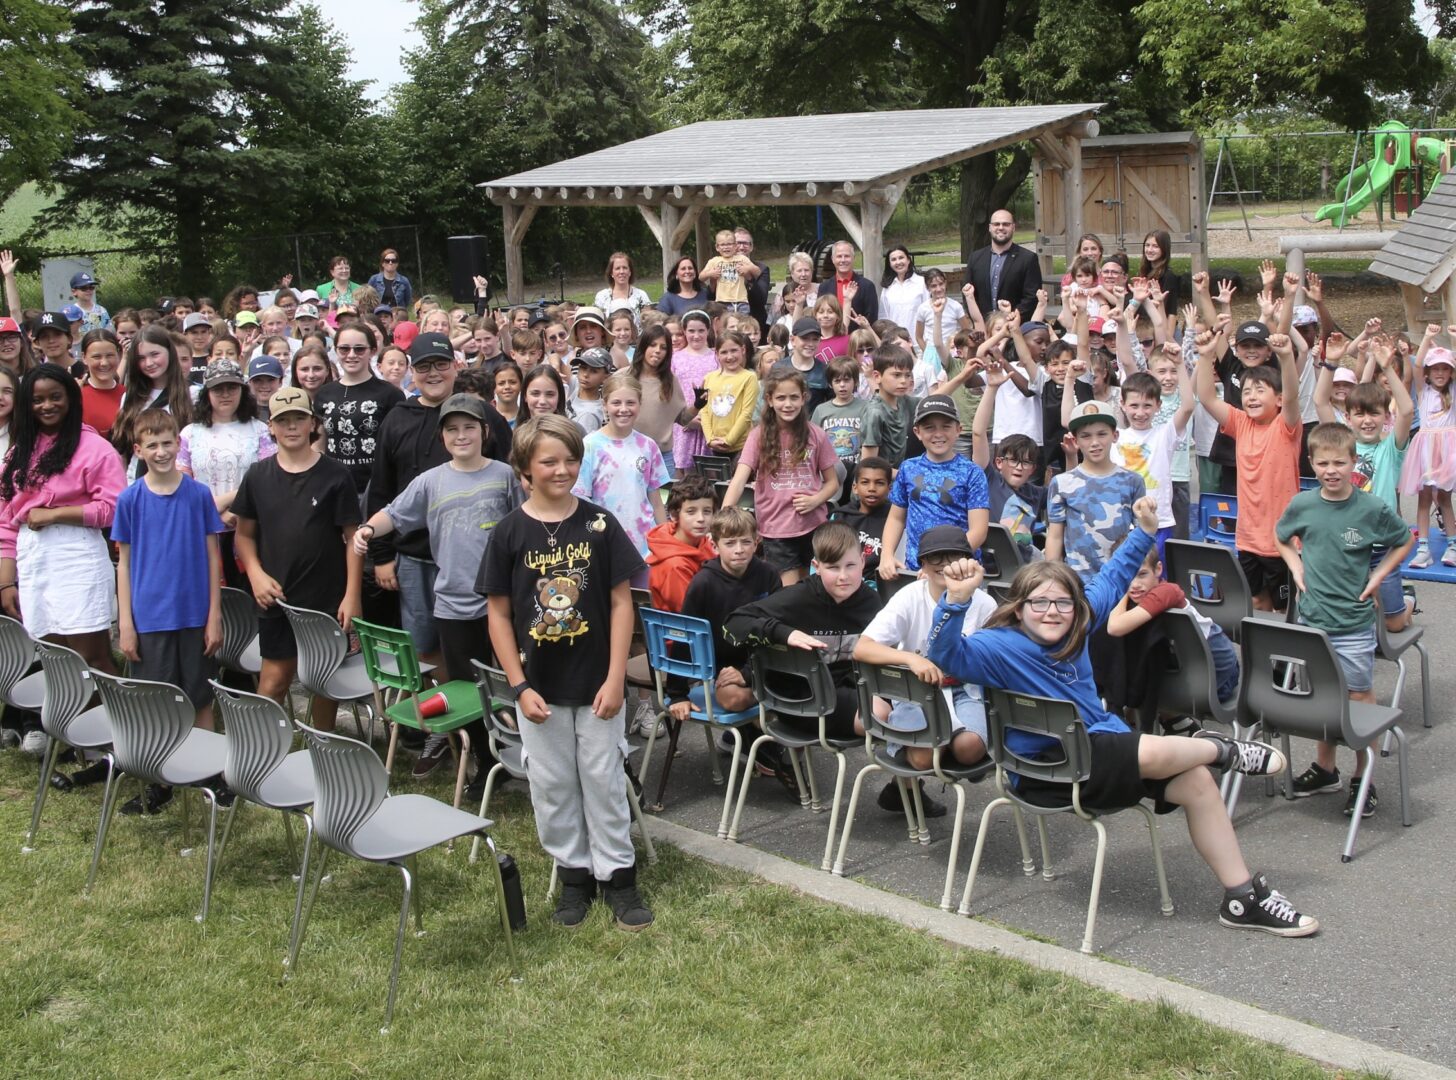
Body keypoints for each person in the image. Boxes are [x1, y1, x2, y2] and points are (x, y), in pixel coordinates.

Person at [930, 497, 1318, 937]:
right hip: (1047, 772)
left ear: (1077, 609)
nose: (1052, 612)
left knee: (1194, 781)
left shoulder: (1078, 624)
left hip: (1101, 758)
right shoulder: (996, 647)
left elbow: (1113, 577)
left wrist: (1145, 530)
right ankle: (1221, 749)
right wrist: (955, 600)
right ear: (1018, 608)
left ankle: (1241, 897)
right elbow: (945, 654)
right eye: (1039, 603)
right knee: (1124, 742)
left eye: (1063, 604)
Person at [480, 413, 653, 930]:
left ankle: (618, 876)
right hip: (539, 689)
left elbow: (623, 604)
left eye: (571, 460)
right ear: (525, 469)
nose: (562, 470)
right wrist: (518, 683)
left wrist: (617, 677)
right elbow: (498, 613)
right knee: (553, 783)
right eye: (548, 461)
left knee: (602, 778)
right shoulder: (510, 531)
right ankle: (574, 876)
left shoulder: (600, 524)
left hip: (599, 682)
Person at [355, 393, 521, 788]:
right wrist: (366, 530)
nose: (461, 435)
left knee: (509, 682)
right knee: (469, 690)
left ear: (484, 431)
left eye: (468, 428)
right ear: (442, 436)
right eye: (452, 429)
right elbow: (393, 514)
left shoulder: (506, 476)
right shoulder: (430, 481)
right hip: (453, 605)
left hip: (501, 604)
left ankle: (521, 756)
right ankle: (485, 762)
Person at [1276, 421, 1413, 818]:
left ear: (1354, 462)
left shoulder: (1371, 508)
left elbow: (1404, 539)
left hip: (1353, 623)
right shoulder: (1304, 504)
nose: (1330, 470)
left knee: (1358, 698)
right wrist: (1295, 566)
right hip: (1313, 621)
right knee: (1321, 698)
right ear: (1312, 463)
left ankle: (1363, 777)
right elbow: (1280, 535)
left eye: (1339, 462)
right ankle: (1325, 769)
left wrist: (1379, 575)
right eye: (1322, 463)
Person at [113, 408, 227, 813]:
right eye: (152, 445)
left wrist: (214, 615)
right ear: (138, 449)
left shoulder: (197, 495)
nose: (161, 451)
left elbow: (214, 557)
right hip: (149, 618)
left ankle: (212, 776)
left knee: (199, 699)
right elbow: (124, 563)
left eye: (168, 443)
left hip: (195, 614)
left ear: (179, 444)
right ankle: (157, 783)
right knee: (157, 702)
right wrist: (126, 623)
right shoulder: (129, 500)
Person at [232, 387, 363, 733]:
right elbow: (243, 535)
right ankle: (259, 747)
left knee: (325, 681)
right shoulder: (258, 475)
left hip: (326, 598)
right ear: (271, 427)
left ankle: (324, 743)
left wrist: (352, 595)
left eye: (299, 419)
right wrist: (256, 575)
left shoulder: (336, 475)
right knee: (274, 679)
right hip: (276, 595)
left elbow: (353, 538)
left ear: (312, 424)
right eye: (283, 421)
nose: (291, 427)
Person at [855, 524, 997, 814]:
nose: (945, 565)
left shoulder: (984, 603)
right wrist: (911, 658)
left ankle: (910, 778)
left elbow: (994, 659)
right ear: (921, 564)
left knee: (968, 749)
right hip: (917, 690)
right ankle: (909, 782)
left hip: (964, 689)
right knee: (922, 758)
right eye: (935, 558)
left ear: (970, 561)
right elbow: (862, 647)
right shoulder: (910, 596)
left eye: (954, 557)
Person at [724, 521, 879, 742]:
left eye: (851, 566)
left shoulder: (872, 602)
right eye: (833, 567)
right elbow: (734, 622)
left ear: (863, 561)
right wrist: (784, 633)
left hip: (845, 692)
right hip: (799, 697)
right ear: (817, 566)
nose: (843, 576)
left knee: (897, 715)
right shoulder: (799, 597)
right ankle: (761, 733)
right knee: (879, 719)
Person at [1195, 327, 1302, 611]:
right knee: (1255, 601)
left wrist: (1287, 357)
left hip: (1283, 540)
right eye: (1246, 391)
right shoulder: (1241, 423)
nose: (1251, 396)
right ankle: (1264, 655)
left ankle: (1287, 654)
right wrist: (1206, 357)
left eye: (1259, 390)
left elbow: (1292, 396)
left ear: (1278, 399)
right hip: (1249, 537)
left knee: (1285, 607)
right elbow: (1206, 397)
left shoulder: (1286, 426)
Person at [1314, 333, 1414, 629]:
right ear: (1348, 417)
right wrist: (1331, 362)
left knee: (1393, 625)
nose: (1367, 420)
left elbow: (1407, 410)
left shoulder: (1389, 449)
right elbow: (1320, 400)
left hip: (1381, 545)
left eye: (1375, 414)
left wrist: (1388, 367)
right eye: (1359, 414)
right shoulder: (1342, 443)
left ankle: (1407, 601)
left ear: (1386, 417)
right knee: (1351, 617)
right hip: (1346, 543)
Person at [722, 370, 840, 585]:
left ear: (804, 398)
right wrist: (723, 518)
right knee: (789, 590)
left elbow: (833, 482)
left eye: (794, 397)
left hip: (813, 526)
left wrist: (816, 499)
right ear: (769, 399)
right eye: (781, 398)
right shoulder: (758, 435)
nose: (788, 404)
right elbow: (739, 480)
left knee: (810, 586)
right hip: (776, 529)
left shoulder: (816, 434)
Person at [1106, 543, 1239, 729]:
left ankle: (1171, 719)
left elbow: (1114, 627)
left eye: (1142, 574)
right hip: (1183, 671)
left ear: (1158, 569)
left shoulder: (1167, 591)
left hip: (1218, 674)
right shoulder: (1138, 594)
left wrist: (1121, 592)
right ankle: (1174, 721)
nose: (1135, 584)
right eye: (1128, 575)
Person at [178, 359, 276, 590]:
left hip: (250, 529)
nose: (225, 395)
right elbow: (182, 484)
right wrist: (214, 512)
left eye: (231, 388)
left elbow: (268, 478)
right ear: (206, 393)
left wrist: (234, 507)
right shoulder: (190, 433)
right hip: (203, 530)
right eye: (218, 389)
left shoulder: (260, 430)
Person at [879, 395, 990, 580]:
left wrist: (944, 563)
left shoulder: (972, 473)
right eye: (929, 427)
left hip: (960, 570)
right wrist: (887, 555)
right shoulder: (908, 468)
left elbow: (978, 531)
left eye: (946, 426)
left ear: (958, 430)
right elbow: (896, 518)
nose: (938, 434)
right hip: (916, 571)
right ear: (917, 432)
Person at [572, 371, 672, 576]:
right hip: (604, 541)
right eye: (616, 403)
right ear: (605, 404)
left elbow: (656, 500)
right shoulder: (590, 446)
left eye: (630, 403)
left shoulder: (648, 446)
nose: (623, 409)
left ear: (640, 404)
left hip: (644, 543)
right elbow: (581, 500)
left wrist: (666, 542)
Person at [1046, 401, 1145, 580]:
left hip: (1119, 579)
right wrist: (1052, 580)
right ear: (1075, 441)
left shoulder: (1133, 481)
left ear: (1115, 436)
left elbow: (1141, 534)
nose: (1095, 443)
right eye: (1086, 436)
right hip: (1077, 582)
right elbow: (1055, 536)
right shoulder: (1061, 483)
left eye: (1102, 434)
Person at [314, 321, 406, 495]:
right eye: (344, 349)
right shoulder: (324, 393)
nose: (351, 355)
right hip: (333, 486)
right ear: (336, 350)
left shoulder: (390, 394)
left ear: (372, 351)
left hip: (376, 488)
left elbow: (398, 446)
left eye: (359, 349)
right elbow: (318, 444)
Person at [971, 365, 1046, 562]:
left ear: (1033, 469)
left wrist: (1071, 456)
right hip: (988, 565)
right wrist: (992, 388)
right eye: (1013, 460)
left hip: (1023, 566)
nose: (1019, 467)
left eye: (1026, 462)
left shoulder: (1036, 493)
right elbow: (978, 434)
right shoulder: (989, 480)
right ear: (998, 462)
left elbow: (1068, 491)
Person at [1399, 337, 1456, 568]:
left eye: (1445, 369)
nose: (1440, 373)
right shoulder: (1423, 391)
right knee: (1424, 498)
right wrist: (1426, 338)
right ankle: (1423, 547)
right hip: (1425, 450)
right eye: (1436, 369)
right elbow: (1417, 364)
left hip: (1447, 451)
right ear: (1429, 373)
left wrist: (1453, 339)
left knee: (1444, 498)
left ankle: (1453, 544)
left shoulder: (1452, 392)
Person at [629, 325, 692, 466]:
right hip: (628, 452)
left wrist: (698, 405)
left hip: (662, 456)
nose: (658, 351)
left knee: (664, 489)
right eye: (653, 345)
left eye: (663, 348)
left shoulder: (670, 381)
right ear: (643, 346)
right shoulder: (624, 377)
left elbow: (682, 418)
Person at [962, 210, 1040, 323]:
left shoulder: (1028, 259)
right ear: (989, 227)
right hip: (984, 327)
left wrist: (1011, 318)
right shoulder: (975, 258)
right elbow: (967, 294)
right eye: (996, 224)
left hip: (1015, 327)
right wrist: (979, 321)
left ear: (1013, 227)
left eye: (1006, 224)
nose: (1001, 227)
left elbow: (1032, 297)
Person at [670, 310, 718, 469]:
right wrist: (686, 418)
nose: (696, 336)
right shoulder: (676, 358)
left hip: (711, 422)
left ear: (708, 331)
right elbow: (670, 391)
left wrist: (706, 420)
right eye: (691, 331)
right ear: (684, 331)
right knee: (682, 469)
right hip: (684, 419)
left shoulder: (716, 357)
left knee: (709, 470)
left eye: (701, 331)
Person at [700, 330, 758, 456]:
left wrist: (729, 440)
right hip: (715, 444)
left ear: (743, 350)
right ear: (717, 354)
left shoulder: (749, 377)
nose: (730, 357)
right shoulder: (709, 377)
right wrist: (710, 439)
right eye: (724, 352)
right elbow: (704, 409)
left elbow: (746, 413)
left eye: (734, 350)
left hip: (740, 447)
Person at [832, 456, 892, 577]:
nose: (871, 489)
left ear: (889, 489)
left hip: (879, 584)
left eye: (879, 483)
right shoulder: (840, 516)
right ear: (855, 487)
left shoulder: (895, 520)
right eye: (865, 482)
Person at [861, 343, 917, 466]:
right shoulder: (875, 413)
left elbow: (931, 400)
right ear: (877, 376)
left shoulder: (903, 401)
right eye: (897, 375)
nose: (903, 381)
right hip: (883, 480)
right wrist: (906, 475)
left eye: (907, 375)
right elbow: (868, 464)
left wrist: (961, 377)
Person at [813, 356, 870, 476]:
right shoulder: (821, 410)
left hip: (856, 470)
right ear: (830, 384)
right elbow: (813, 443)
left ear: (856, 381)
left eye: (847, 380)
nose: (842, 385)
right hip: (830, 472)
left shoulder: (866, 408)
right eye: (837, 381)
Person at [78, 329, 125, 437]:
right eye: (96, 357)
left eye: (109, 355)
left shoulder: (128, 395)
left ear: (118, 355)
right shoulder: (77, 396)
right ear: (84, 358)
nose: (104, 363)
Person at [699, 230, 757, 314]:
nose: (726, 247)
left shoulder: (742, 258)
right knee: (725, 325)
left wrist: (749, 268)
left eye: (729, 244)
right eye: (722, 244)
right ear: (717, 247)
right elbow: (700, 277)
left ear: (735, 246)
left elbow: (758, 272)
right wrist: (710, 273)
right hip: (722, 301)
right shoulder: (714, 261)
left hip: (741, 301)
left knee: (742, 325)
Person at [822, 241, 880, 324]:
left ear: (853, 258)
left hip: (858, 336)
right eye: (839, 256)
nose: (843, 260)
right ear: (832, 259)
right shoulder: (824, 287)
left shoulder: (867, 286)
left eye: (847, 256)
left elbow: (871, 318)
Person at [879, 245, 930, 338]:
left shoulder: (922, 283)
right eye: (893, 259)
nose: (898, 262)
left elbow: (929, 313)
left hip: (919, 341)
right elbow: (884, 318)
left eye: (901, 258)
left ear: (908, 260)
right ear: (889, 264)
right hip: (895, 342)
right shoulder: (887, 288)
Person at [568, 347, 611, 434]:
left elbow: (584, 445)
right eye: (583, 368)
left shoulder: (590, 415)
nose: (585, 374)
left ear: (605, 378)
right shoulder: (577, 386)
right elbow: (555, 358)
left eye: (594, 371)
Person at [735, 229, 772, 326]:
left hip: (754, 320)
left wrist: (749, 278)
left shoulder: (762, 269)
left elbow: (761, 300)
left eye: (745, 243)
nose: (741, 247)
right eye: (738, 243)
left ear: (751, 247)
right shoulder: (722, 266)